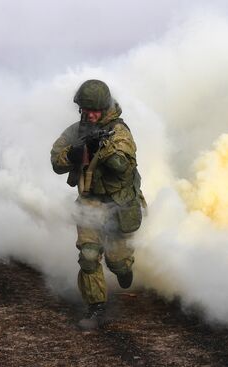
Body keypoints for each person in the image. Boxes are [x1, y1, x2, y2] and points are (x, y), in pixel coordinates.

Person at [51, 80, 145, 329]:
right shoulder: (75, 131)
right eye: (85, 110)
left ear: (105, 109)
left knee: (117, 261)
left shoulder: (119, 132)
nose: (90, 115)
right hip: (89, 202)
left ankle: (124, 269)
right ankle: (96, 307)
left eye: (95, 110)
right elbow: (56, 161)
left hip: (117, 203)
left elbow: (122, 167)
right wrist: (75, 152)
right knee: (89, 256)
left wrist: (101, 149)